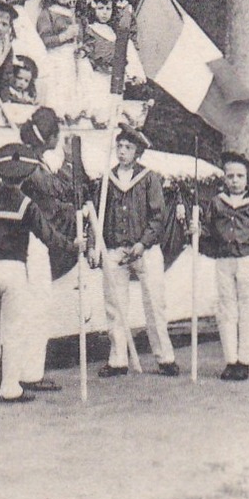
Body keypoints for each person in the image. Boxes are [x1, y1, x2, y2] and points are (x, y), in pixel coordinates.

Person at [0, 144, 74, 403]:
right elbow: (47, 235)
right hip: (12, 269)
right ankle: (10, 388)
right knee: (13, 330)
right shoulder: (25, 204)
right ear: (25, 176)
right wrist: (74, 246)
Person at [91, 125, 180, 378]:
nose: (122, 152)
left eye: (128, 148)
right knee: (114, 305)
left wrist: (143, 243)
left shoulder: (149, 178)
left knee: (154, 302)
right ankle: (118, 359)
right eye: (119, 147)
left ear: (138, 152)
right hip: (116, 249)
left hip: (145, 249)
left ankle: (165, 358)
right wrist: (95, 246)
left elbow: (158, 216)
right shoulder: (108, 179)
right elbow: (98, 215)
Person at [15, 108, 87, 393]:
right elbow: (61, 190)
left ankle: (18, 370)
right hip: (32, 241)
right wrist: (70, 161)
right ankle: (30, 373)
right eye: (57, 132)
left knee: (26, 308)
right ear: (49, 136)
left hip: (23, 240)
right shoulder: (33, 166)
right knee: (37, 306)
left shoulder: (28, 159)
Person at [198, 151, 249, 381]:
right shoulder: (217, 203)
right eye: (230, 176)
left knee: (247, 310)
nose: (234, 180)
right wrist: (197, 232)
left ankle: (245, 360)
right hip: (224, 261)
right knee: (226, 310)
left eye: (239, 176)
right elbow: (208, 232)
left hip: (247, 261)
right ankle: (230, 360)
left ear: (248, 178)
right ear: (224, 178)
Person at [36, 0, 86, 117]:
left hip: (72, 59)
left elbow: (83, 40)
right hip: (56, 58)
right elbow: (44, 40)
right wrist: (64, 36)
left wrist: (81, 49)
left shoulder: (74, 15)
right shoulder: (48, 13)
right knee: (57, 92)